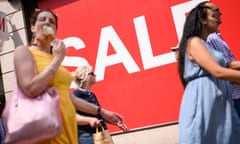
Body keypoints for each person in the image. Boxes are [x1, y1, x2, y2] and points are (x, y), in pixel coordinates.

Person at [13, 9, 127, 143]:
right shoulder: (25, 52)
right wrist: (58, 59)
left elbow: (69, 97)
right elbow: (30, 89)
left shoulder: (53, 59)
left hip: (68, 137)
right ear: (32, 27)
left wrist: (102, 112)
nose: (47, 23)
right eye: (42, 19)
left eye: (52, 22)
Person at [177, 1, 240, 144]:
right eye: (214, 15)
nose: (219, 18)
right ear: (203, 20)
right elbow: (218, 71)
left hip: (219, 103)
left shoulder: (206, 45)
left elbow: (227, 65)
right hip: (203, 102)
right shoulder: (194, 42)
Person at [72, 65, 128, 144]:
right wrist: (89, 121)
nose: (95, 75)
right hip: (87, 136)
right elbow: (72, 117)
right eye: (93, 73)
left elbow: (98, 114)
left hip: (100, 134)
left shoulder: (91, 94)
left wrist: (114, 122)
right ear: (86, 77)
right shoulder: (77, 94)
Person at [207, 31, 240, 117]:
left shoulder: (217, 37)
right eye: (214, 16)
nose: (219, 20)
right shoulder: (212, 38)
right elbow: (225, 66)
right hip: (232, 96)